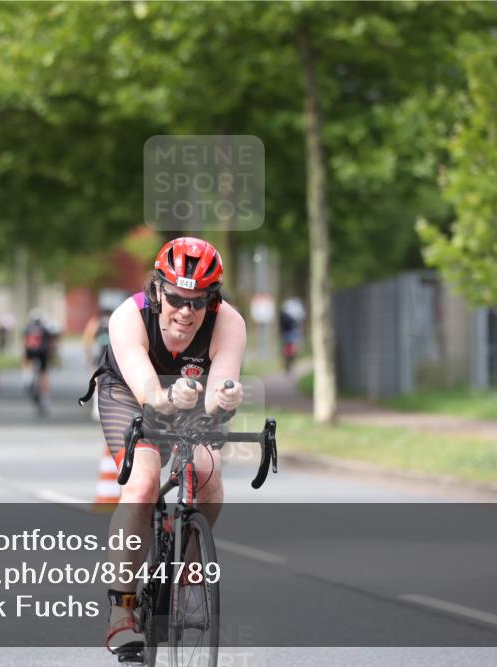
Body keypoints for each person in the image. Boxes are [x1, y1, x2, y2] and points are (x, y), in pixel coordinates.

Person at [79, 237, 245, 654]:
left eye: (199, 301)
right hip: (130, 393)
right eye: (175, 298)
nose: (186, 312)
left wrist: (224, 399)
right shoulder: (127, 317)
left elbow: (217, 393)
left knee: (208, 473)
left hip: (189, 393)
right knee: (143, 482)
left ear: (213, 299)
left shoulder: (229, 322)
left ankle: (187, 563)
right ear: (157, 289)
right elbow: (149, 391)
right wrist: (167, 400)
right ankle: (122, 610)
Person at [22, 309, 56, 416]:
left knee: (29, 365)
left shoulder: (28, 328)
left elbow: (24, 343)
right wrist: (52, 358)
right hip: (43, 353)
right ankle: (45, 397)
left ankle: (28, 379)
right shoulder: (45, 329)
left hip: (31, 352)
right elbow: (51, 345)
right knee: (44, 374)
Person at [279, 296, 305, 375]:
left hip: (287, 333)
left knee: (290, 350)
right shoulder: (295, 311)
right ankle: (290, 365)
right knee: (291, 350)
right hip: (290, 333)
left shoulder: (284, 310)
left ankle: (289, 365)